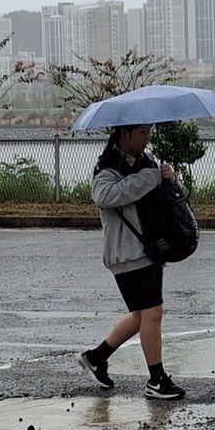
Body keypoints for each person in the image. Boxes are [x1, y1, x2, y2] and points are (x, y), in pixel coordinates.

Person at [76, 123, 186, 400]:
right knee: (152, 313)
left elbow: (158, 195)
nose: (147, 138)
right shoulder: (108, 165)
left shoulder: (144, 160)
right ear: (124, 133)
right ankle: (156, 380)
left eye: (149, 132)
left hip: (147, 248)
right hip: (127, 252)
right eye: (142, 133)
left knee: (143, 314)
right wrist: (149, 178)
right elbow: (103, 196)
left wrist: (168, 178)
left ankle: (96, 357)